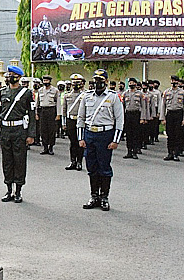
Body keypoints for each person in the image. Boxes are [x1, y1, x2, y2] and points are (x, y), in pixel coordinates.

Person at [77, 69, 124, 211]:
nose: (98, 83)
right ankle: (94, 196)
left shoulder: (113, 97)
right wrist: (81, 138)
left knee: (104, 167)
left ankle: (104, 197)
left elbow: (119, 120)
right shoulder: (86, 96)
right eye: (96, 81)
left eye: (101, 81)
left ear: (107, 82)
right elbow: (81, 118)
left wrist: (115, 140)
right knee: (91, 167)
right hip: (90, 134)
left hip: (105, 135)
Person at [0, 66, 35, 203]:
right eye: (8, 74)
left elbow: (32, 114)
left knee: (19, 161)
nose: (8, 77)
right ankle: (9, 190)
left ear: (18, 77)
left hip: (19, 131)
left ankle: (18, 191)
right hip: (5, 131)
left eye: (11, 75)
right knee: (7, 161)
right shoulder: (1, 93)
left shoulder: (26, 93)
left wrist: (31, 134)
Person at [159, 75, 184, 161]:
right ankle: (170, 153)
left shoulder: (183, 93)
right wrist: (162, 118)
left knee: (178, 135)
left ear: (178, 82)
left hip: (179, 114)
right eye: (172, 80)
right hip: (170, 114)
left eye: (175, 81)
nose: (173, 82)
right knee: (170, 135)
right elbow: (163, 106)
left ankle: (176, 154)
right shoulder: (166, 92)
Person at [62, 74, 86, 170]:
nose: (75, 85)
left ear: (81, 84)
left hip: (80, 121)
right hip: (70, 120)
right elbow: (64, 110)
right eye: (74, 83)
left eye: (77, 83)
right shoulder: (67, 96)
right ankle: (73, 161)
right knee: (72, 142)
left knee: (80, 142)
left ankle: (79, 162)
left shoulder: (85, 95)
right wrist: (64, 123)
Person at [122, 78, 148, 159]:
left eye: (133, 82)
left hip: (136, 114)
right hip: (128, 115)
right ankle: (129, 151)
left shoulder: (140, 94)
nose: (131, 84)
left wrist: (143, 118)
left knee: (136, 134)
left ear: (136, 84)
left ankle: (135, 151)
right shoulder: (125, 93)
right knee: (129, 134)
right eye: (130, 82)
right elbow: (122, 106)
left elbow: (143, 107)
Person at [36, 75, 61, 155]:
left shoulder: (55, 90)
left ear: (50, 81)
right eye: (44, 80)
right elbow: (37, 102)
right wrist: (36, 113)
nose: (45, 82)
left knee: (51, 130)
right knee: (43, 130)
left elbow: (58, 103)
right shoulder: (40, 90)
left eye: (47, 80)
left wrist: (58, 114)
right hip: (43, 111)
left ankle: (51, 147)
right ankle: (45, 147)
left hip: (51, 110)